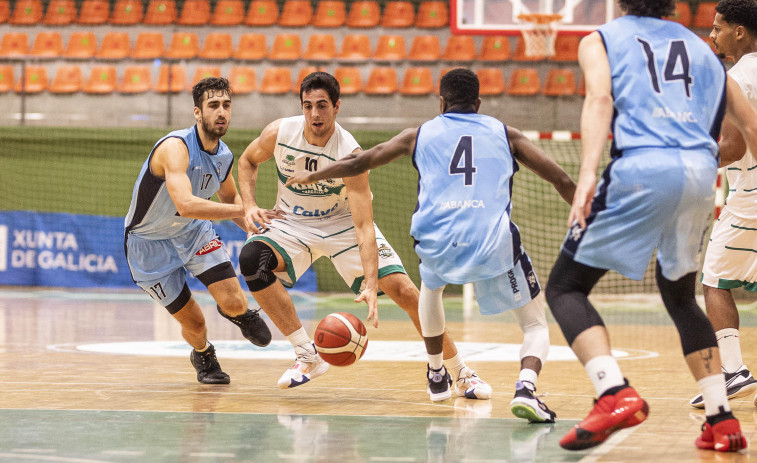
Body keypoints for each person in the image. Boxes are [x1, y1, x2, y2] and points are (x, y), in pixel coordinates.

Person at [285, 68, 576, 422]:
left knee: (431, 290)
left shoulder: (419, 134)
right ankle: (527, 389)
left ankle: (437, 372)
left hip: (439, 241)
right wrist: (587, 220)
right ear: (479, 103)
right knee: (534, 325)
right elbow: (561, 178)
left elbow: (360, 160)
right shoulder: (505, 133)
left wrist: (313, 175)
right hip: (492, 241)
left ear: (441, 102)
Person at [542, 0, 757, 452]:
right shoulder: (703, 50)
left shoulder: (600, 38)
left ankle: (613, 392)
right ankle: (722, 420)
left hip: (641, 168)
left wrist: (586, 177)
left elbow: (600, 99)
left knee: (566, 287)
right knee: (680, 294)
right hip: (701, 177)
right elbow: (752, 126)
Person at [236, 71, 493, 403]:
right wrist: (250, 206)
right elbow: (246, 161)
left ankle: (461, 372)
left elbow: (363, 226)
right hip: (292, 222)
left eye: (322, 106)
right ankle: (307, 355)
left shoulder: (350, 154)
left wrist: (371, 281)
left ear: (337, 107)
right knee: (251, 261)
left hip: (343, 224)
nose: (315, 114)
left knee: (405, 292)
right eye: (308, 106)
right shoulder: (279, 133)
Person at [124, 77, 272, 385]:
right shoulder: (174, 148)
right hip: (148, 245)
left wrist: (256, 228)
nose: (221, 112)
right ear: (197, 112)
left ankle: (241, 314)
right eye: (213, 105)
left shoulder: (224, 156)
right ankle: (203, 354)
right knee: (194, 321)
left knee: (233, 301)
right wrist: (246, 209)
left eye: (227, 105)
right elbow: (187, 204)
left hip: (194, 233)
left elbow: (230, 197)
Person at [689, 0, 757, 410]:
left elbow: (731, 147)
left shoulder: (740, 77)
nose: (712, 35)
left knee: (714, 279)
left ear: (739, 32)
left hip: (751, 193)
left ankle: (732, 371)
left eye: (718, 28)